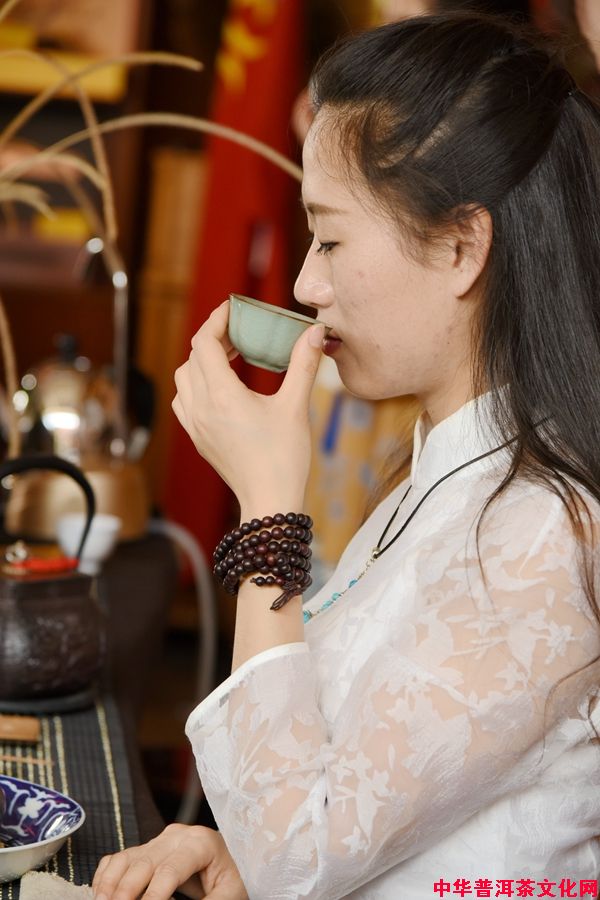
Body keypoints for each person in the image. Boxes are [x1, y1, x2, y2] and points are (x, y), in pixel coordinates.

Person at [92, 11, 600, 900]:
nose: (305, 285)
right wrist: (236, 857)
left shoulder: (543, 533)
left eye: (329, 239)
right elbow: (352, 803)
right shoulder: (441, 472)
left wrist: (268, 505)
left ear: (461, 247)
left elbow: (302, 855)